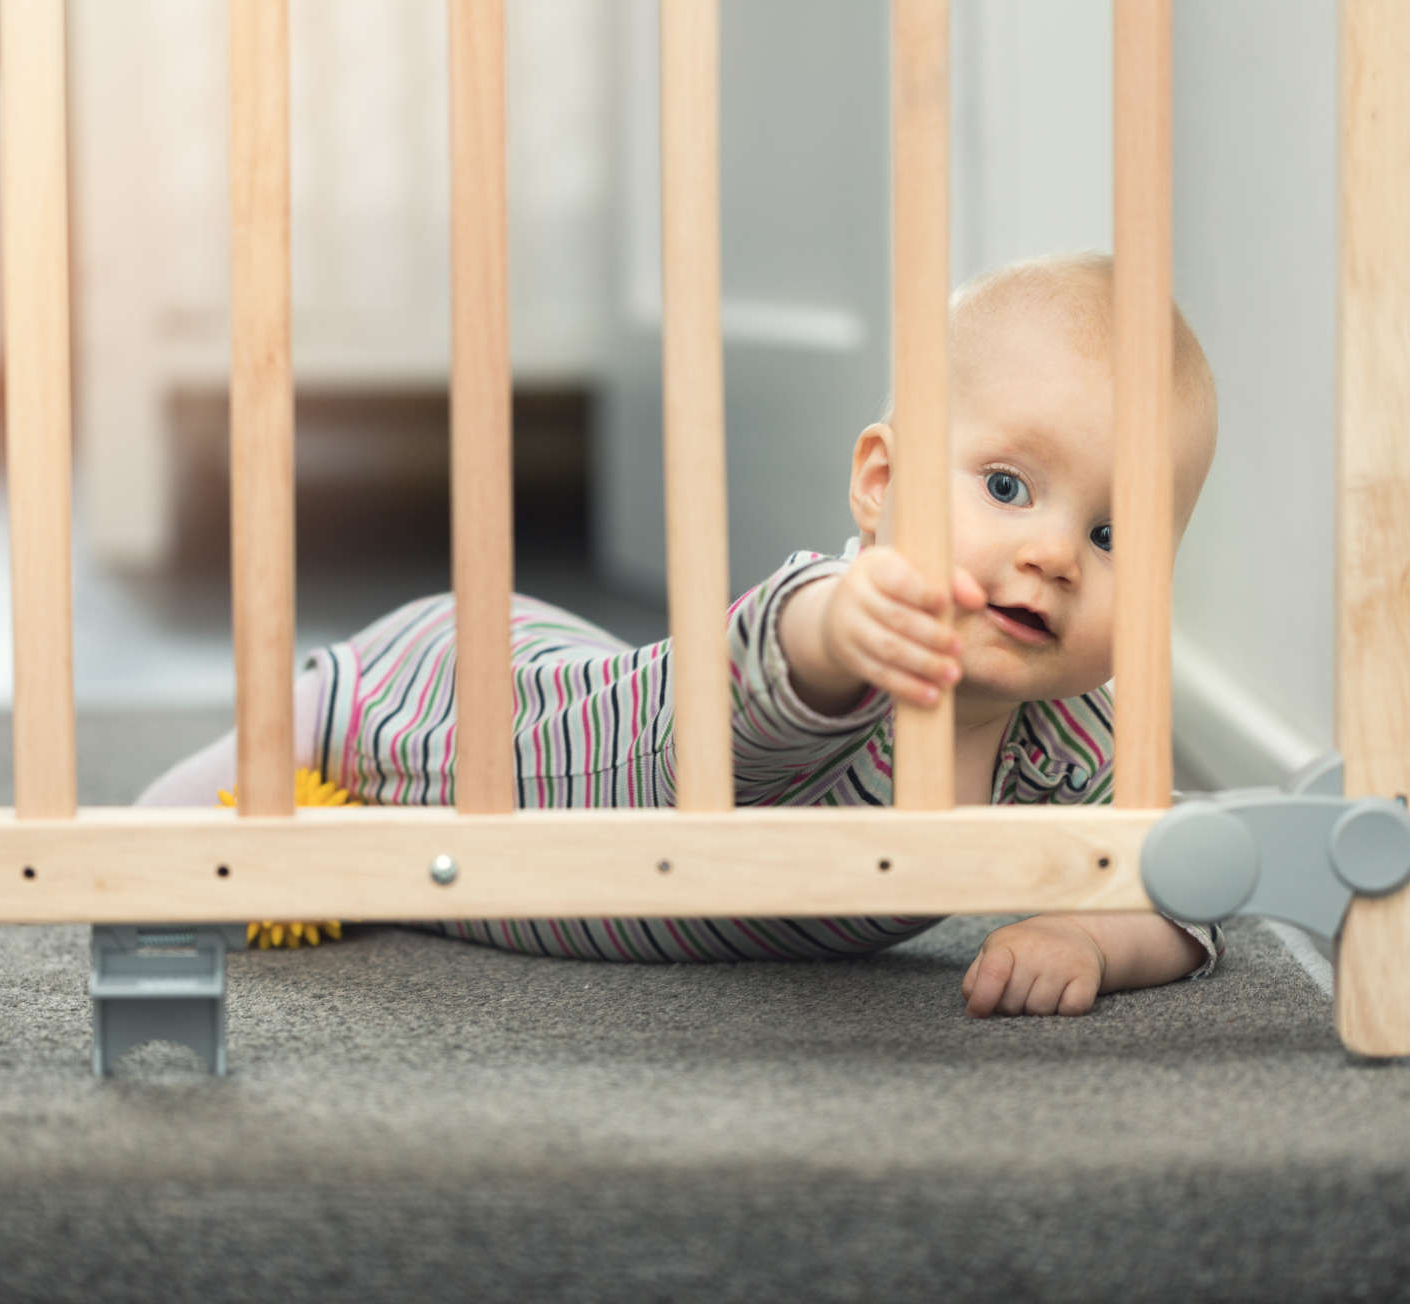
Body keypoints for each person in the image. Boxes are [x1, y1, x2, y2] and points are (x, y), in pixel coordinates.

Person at [136, 251, 1224, 1018]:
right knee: (285, 751)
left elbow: (1181, 893)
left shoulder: (1069, 740)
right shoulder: (837, 624)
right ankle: (128, 842)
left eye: (1113, 529)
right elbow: (761, 689)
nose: (1054, 556)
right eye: (1005, 485)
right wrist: (844, 629)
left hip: (547, 841)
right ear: (880, 485)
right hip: (473, 700)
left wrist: (1088, 937)